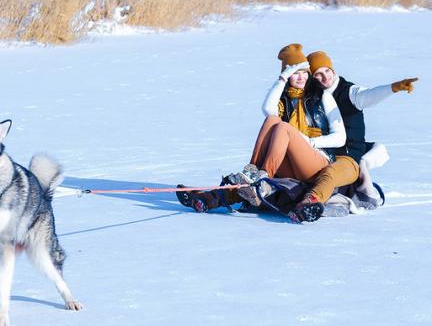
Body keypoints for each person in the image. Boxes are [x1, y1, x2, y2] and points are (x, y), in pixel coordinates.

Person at [178, 44, 346, 219]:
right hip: (290, 163)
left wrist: (309, 142)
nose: (301, 77)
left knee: (282, 127)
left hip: (318, 160)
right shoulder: (282, 99)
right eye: (295, 72)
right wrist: (282, 79)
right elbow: (268, 110)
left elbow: (340, 138)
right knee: (273, 120)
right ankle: (213, 197)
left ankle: (261, 176)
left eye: (304, 72)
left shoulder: (322, 96)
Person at [294, 51, 418, 211]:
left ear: (333, 70)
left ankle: (311, 203)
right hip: (322, 152)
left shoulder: (349, 93)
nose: (325, 77)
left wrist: (394, 88)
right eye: (318, 74)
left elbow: (369, 95)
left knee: (329, 175)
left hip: (347, 153)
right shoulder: (311, 97)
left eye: (327, 71)